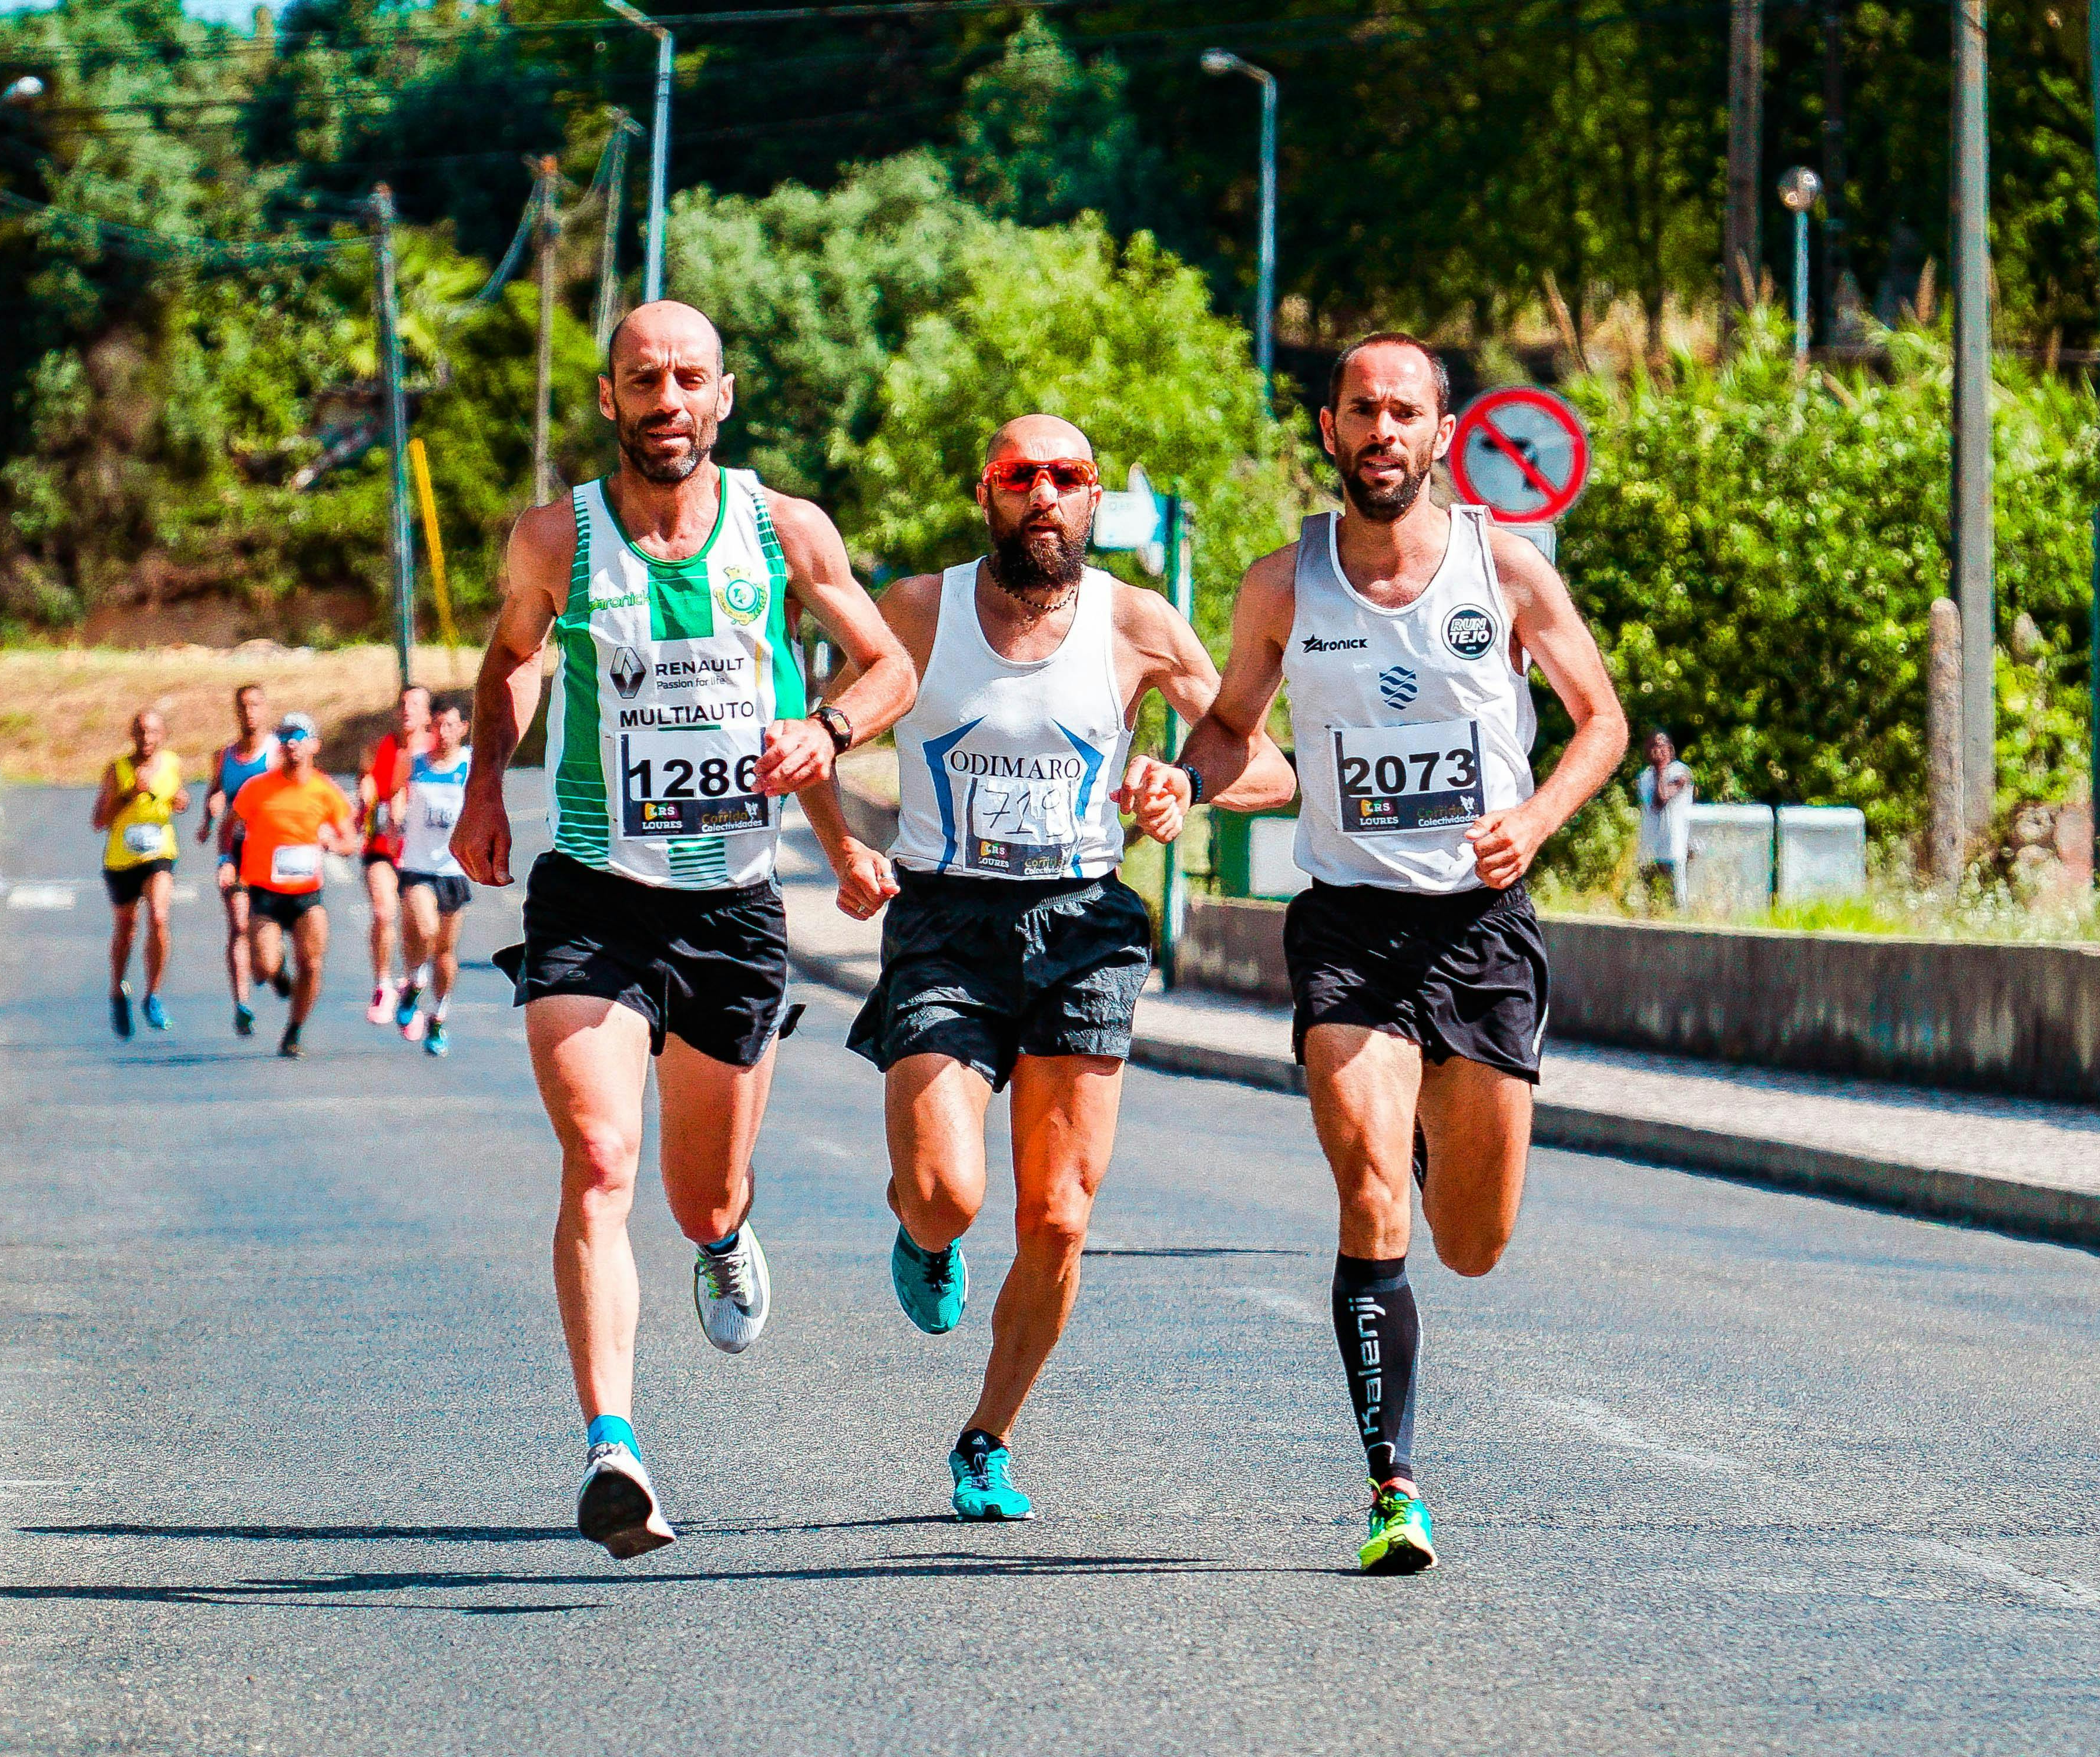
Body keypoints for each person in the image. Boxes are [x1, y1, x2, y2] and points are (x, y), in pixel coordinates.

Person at [453, 300, 915, 1560]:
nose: (665, 400)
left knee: (697, 1187)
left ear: (722, 396)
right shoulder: (557, 537)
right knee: (601, 1159)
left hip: (731, 905)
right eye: (641, 379)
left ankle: (720, 1235)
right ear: (608, 398)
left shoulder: (782, 530)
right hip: (593, 893)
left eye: (687, 378)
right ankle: (613, 1446)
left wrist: (825, 737)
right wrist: (485, 784)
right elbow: (508, 660)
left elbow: (884, 665)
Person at [1177, 333, 1629, 1575]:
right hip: (1348, 927)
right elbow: (1225, 730)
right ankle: (1392, 1484)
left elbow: (1602, 721)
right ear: (1328, 429)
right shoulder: (1281, 585)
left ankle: (1435, 1121)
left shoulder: (1507, 568)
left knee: (1472, 1239)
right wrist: (1174, 782)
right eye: (1360, 411)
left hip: (1478, 931)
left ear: (1441, 435)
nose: (1382, 432)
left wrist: (1530, 821)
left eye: (1404, 413)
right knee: (1369, 1189)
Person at [804, 414, 1293, 1524]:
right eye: (1021, 476)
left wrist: (1184, 784)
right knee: (944, 1195)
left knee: (1060, 1216)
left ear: (1093, 499)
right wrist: (842, 847)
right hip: (945, 920)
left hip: (1084, 924)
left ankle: (987, 1436)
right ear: (987, 491)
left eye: (1066, 478)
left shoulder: (1137, 623)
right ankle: (919, 1232)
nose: (1044, 495)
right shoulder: (918, 614)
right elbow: (816, 734)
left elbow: (1263, 761)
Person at [228, 712, 359, 1059]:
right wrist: (231, 866)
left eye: (299, 736)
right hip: (266, 893)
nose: (292, 744)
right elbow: (234, 828)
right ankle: (278, 975)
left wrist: (335, 844)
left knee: (313, 964)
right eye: (285, 737)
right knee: (265, 966)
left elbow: (351, 840)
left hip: (306, 895)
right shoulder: (258, 788)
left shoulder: (324, 789)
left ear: (314, 745)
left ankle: (294, 1029)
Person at [91, 707, 187, 1039]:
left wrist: (180, 800)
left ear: (162, 735)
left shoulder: (173, 764)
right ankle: (118, 991)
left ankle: (154, 995)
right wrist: (128, 795)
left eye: (152, 732)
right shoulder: (118, 770)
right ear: (132, 735)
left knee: (159, 917)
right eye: (141, 732)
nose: (146, 739)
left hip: (159, 855)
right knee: (126, 929)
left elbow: (179, 798)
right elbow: (99, 821)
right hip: (121, 860)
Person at [389, 696, 474, 1056]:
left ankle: (438, 1018)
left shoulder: (471, 765)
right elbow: (394, 795)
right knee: (424, 930)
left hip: (454, 870)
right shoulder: (414, 763)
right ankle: (415, 981)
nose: (443, 733)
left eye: (450, 726)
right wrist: (395, 816)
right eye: (437, 726)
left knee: (445, 953)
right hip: (418, 867)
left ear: (463, 729)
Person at [196, 683, 277, 1038]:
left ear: (266, 709)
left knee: (270, 928)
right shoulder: (224, 756)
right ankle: (242, 1003)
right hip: (234, 850)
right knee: (238, 924)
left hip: (272, 852)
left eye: (256, 705)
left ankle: (273, 966)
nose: (250, 713)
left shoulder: (276, 753)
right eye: (243, 706)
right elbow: (215, 791)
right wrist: (209, 815)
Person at [357, 684, 430, 1030]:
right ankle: (383, 984)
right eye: (403, 703)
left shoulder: (434, 751)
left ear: (428, 715)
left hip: (420, 852)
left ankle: (410, 989)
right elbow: (367, 784)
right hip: (382, 847)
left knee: (416, 927)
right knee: (384, 912)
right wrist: (367, 793)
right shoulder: (379, 747)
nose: (407, 710)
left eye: (416, 704)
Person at [1633, 728, 1693, 912]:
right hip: (1650, 850)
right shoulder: (1645, 777)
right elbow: (1654, 804)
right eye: (1652, 746)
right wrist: (1657, 771)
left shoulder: (1681, 772)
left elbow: (1664, 797)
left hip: (1673, 849)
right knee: (1651, 904)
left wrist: (1661, 770)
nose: (1657, 751)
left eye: (1661, 746)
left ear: (1671, 749)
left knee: (1676, 904)